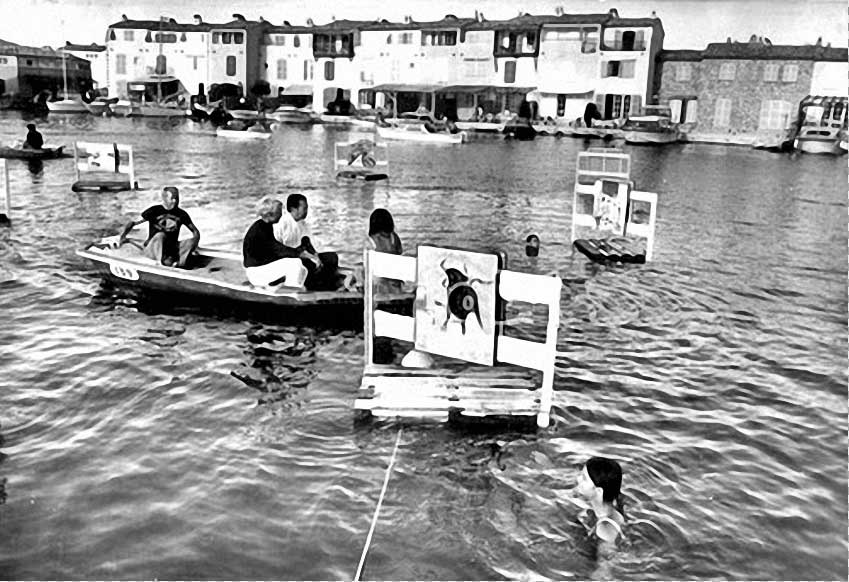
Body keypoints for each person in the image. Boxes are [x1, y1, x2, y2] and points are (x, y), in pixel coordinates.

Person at [118, 186, 200, 268]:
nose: (175, 201)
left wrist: (194, 244)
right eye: (172, 198)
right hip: (153, 249)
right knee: (161, 235)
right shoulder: (154, 211)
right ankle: (161, 263)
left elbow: (195, 231)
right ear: (165, 198)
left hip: (171, 248)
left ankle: (180, 264)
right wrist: (123, 236)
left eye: (176, 198)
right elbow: (132, 223)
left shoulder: (182, 214)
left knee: (190, 241)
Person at [273, 193, 340, 290]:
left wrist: (315, 255)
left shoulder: (303, 223)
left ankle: (326, 284)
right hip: (290, 259)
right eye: (304, 208)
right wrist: (309, 257)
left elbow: (306, 242)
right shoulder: (282, 224)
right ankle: (314, 286)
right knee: (307, 264)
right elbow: (278, 250)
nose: (306, 211)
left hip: (303, 256)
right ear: (293, 209)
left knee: (332, 257)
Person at [242, 197, 309, 288]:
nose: (281, 214)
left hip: (258, 268)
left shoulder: (264, 226)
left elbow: (275, 249)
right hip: (256, 273)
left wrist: (298, 251)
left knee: (301, 267)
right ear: (270, 214)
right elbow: (277, 248)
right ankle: (291, 291)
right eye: (279, 212)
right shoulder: (260, 230)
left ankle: (290, 286)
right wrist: (299, 253)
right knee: (295, 264)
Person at [576, 457, 626, 546]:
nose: (578, 479)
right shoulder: (617, 504)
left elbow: (607, 559)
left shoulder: (604, 530)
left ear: (599, 491)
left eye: (584, 478)